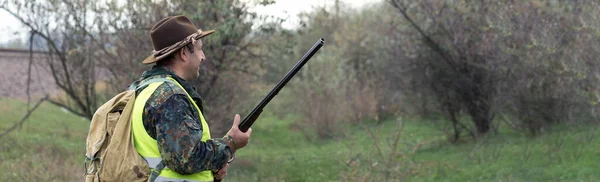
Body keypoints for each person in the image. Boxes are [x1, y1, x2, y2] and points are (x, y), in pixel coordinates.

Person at [128, 15, 252, 182]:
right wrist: (230, 144)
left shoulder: (143, 89)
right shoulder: (170, 96)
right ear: (184, 53)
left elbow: (170, 156)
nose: (203, 56)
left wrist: (210, 171)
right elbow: (186, 159)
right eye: (200, 49)